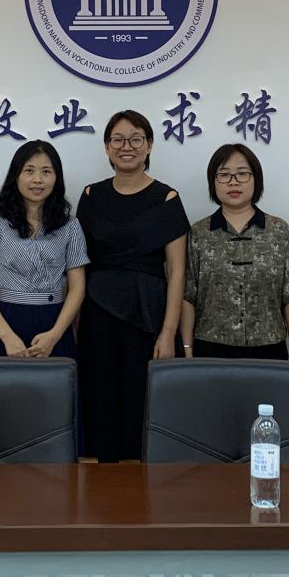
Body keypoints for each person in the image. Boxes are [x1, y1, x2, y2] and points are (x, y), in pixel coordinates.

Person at [76, 110, 189, 462]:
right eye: (118, 140)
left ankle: (142, 491)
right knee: (100, 402)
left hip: (148, 315)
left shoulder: (167, 198)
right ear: (107, 148)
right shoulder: (91, 195)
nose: (127, 146)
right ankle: (102, 490)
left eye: (136, 138)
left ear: (149, 145)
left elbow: (177, 272)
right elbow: (77, 265)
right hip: (97, 314)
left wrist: (168, 332)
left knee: (143, 406)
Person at [181, 143, 289, 361]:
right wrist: (187, 349)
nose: (233, 182)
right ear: (213, 182)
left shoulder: (279, 231)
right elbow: (187, 297)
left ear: (256, 179)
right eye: (224, 175)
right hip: (211, 350)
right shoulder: (198, 233)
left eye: (242, 174)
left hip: (269, 349)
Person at [0, 140, 89, 359]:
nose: (37, 179)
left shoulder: (70, 226)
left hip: (54, 322)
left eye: (46, 172)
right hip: (5, 321)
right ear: (16, 176)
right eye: (29, 171)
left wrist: (54, 335)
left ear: (56, 178)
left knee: (57, 382)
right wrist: (7, 336)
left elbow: (77, 287)